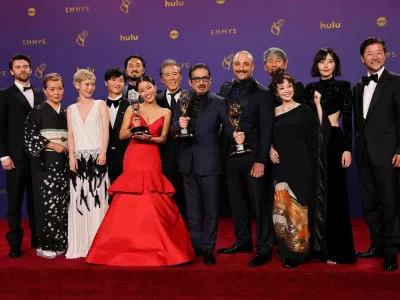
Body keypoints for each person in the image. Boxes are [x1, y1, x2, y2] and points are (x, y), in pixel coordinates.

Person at [86, 75, 195, 267]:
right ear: (138, 93)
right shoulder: (132, 108)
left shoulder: (166, 112)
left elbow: (162, 139)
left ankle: (160, 247)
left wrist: (148, 138)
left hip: (152, 156)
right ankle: (123, 245)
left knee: (153, 198)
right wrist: (134, 130)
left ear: (155, 87)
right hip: (134, 157)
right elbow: (121, 134)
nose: (147, 92)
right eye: (142, 90)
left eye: (149, 88)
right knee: (130, 200)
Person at [170, 63, 235, 265]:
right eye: (197, 79)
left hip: (210, 164)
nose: (201, 82)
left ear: (210, 80)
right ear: (190, 82)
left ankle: (208, 249)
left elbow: (230, 128)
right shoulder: (183, 100)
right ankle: (196, 246)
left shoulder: (219, 102)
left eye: (205, 78)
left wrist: (238, 136)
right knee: (193, 211)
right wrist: (177, 126)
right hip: (187, 164)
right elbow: (171, 128)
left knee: (211, 211)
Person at [217, 51, 275, 267]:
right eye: (237, 64)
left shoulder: (263, 93)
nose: (241, 68)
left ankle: (264, 247)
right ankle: (242, 241)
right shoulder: (226, 89)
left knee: (259, 205)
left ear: (253, 67)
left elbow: (267, 128)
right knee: (237, 202)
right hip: (231, 156)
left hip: (253, 158)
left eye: (245, 64)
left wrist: (261, 160)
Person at [269, 69, 330, 268]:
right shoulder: (274, 112)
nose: (286, 90)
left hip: (302, 164)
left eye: (289, 86)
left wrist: (319, 104)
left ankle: (299, 253)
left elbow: (320, 133)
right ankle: (286, 249)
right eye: (281, 87)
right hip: (281, 165)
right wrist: (270, 147)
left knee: (298, 208)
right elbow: (269, 135)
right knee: (281, 207)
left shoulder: (305, 110)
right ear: (276, 92)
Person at [303, 48, 356, 265]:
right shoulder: (309, 88)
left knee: (335, 195)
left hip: (334, 141)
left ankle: (338, 250)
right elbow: (306, 120)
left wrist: (347, 148)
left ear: (336, 64)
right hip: (313, 142)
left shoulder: (344, 87)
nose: (326, 65)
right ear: (316, 65)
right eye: (322, 61)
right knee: (314, 194)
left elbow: (347, 119)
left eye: (330, 61)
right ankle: (317, 248)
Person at [353, 37, 400, 272]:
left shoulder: (396, 82)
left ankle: (392, 251)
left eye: (379, 52)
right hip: (364, 156)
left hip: (389, 154)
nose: (375, 56)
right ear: (362, 58)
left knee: (391, 204)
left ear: (385, 55)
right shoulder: (358, 87)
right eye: (370, 53)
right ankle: (378, 245)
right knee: (370, 204)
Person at [0, 54, 44, 258]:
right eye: (18, 67)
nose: (22, 70)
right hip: (15, 159)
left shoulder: (39, 93)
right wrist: (3, 156)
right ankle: (15, 245)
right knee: (15, 204)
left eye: (25, 66)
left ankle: (38, 240)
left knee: (36, 202)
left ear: (31, 69)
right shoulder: (4, 95)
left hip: (37, 157)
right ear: (11, 71)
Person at [24, 73, 69, 259]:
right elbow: (30, 136)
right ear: (44, 90)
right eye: (52, 89)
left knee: (62, 203)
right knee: (46, 204)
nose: (56, 92)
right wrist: (53, 145)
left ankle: (60, 242)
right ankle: (44, 244)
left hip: (64, 165)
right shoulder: (37, 111)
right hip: (45, 164)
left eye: (59, 88)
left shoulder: (66, 112)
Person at [66, 69, 110, 259]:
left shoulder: (101, 105)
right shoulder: (70, 109)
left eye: (92, 84)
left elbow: (106, 132)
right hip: (78, 161)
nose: (90, 88)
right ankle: (81, 245)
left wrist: (102, 152)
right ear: (77, 85)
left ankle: (98, 244)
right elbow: (71, 135)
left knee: (97, 200)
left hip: (97, 159)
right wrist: (71, 157)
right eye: (86, 84)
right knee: (79, 201)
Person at [156, 59, 185, 215]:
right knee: (166, 204)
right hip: (164, 160)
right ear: (162, 79)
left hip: (188, 159)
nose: (172, 78)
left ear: (180, 77)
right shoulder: (154, 100)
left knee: (187, 204)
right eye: (167, 75)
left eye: (175, 74)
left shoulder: (191, 97)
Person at [104, 68, 130, 186]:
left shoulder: (131, 105)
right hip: (105, 158)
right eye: (113, 80)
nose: (117, 83)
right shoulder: (99, 106)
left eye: (121, 80)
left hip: (126, 157)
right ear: (106, 82)